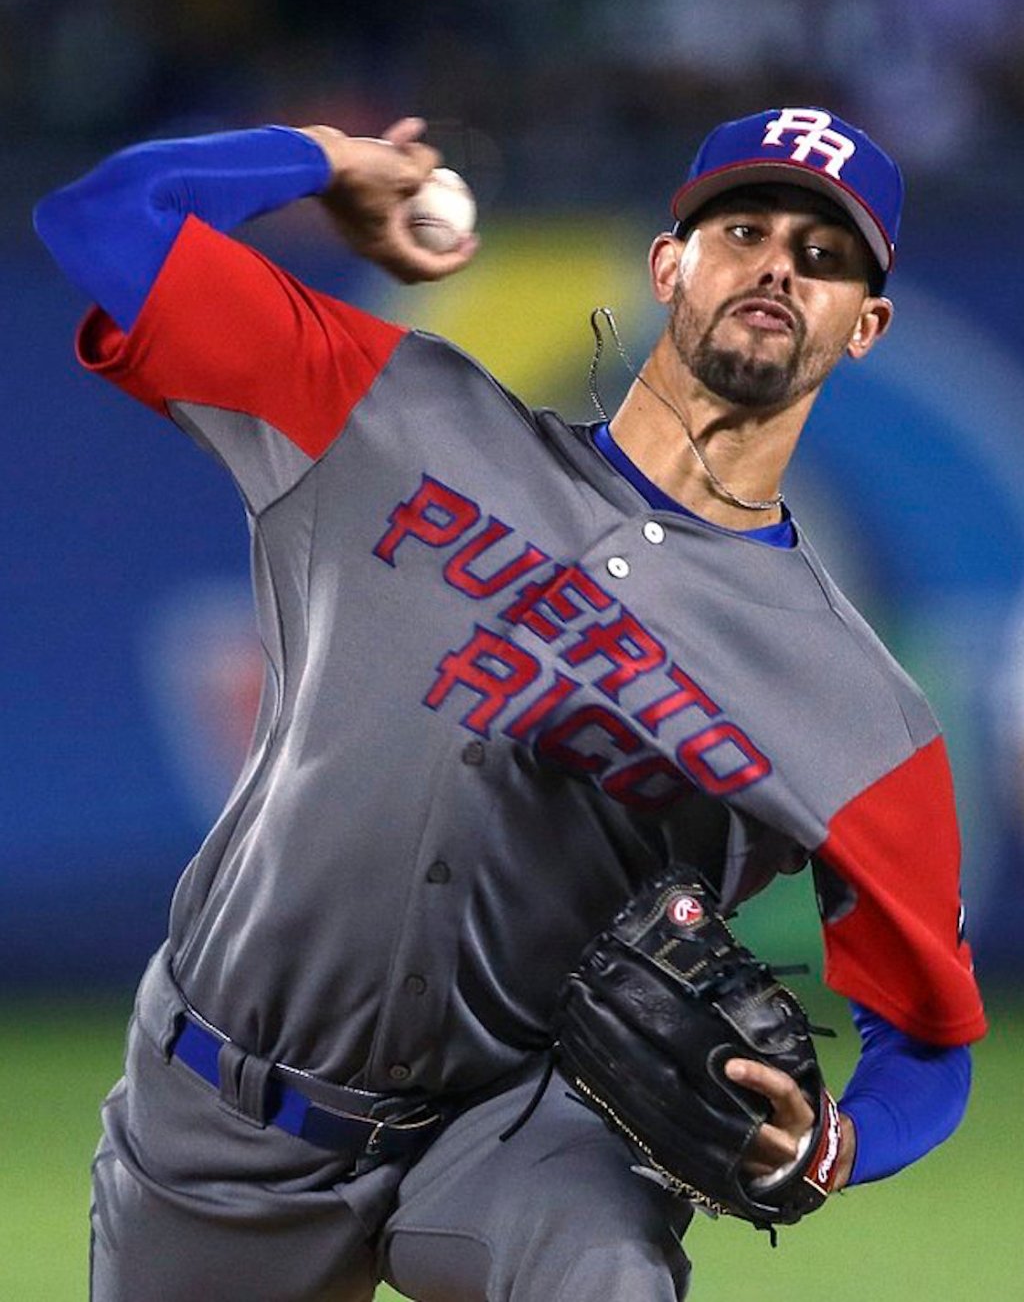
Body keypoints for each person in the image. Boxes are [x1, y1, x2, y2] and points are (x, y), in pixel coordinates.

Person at [35, 106, 986, 1302]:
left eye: (825, 255)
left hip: (522, 1128)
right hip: (222, 1114)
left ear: (865, 327)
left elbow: (930, 1041)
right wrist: (329, 160)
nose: (777, 266)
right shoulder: (397, 417)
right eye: (743, 227)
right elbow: (101, 222)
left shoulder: (856, 707)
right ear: (666, 264)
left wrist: (840, 1143)